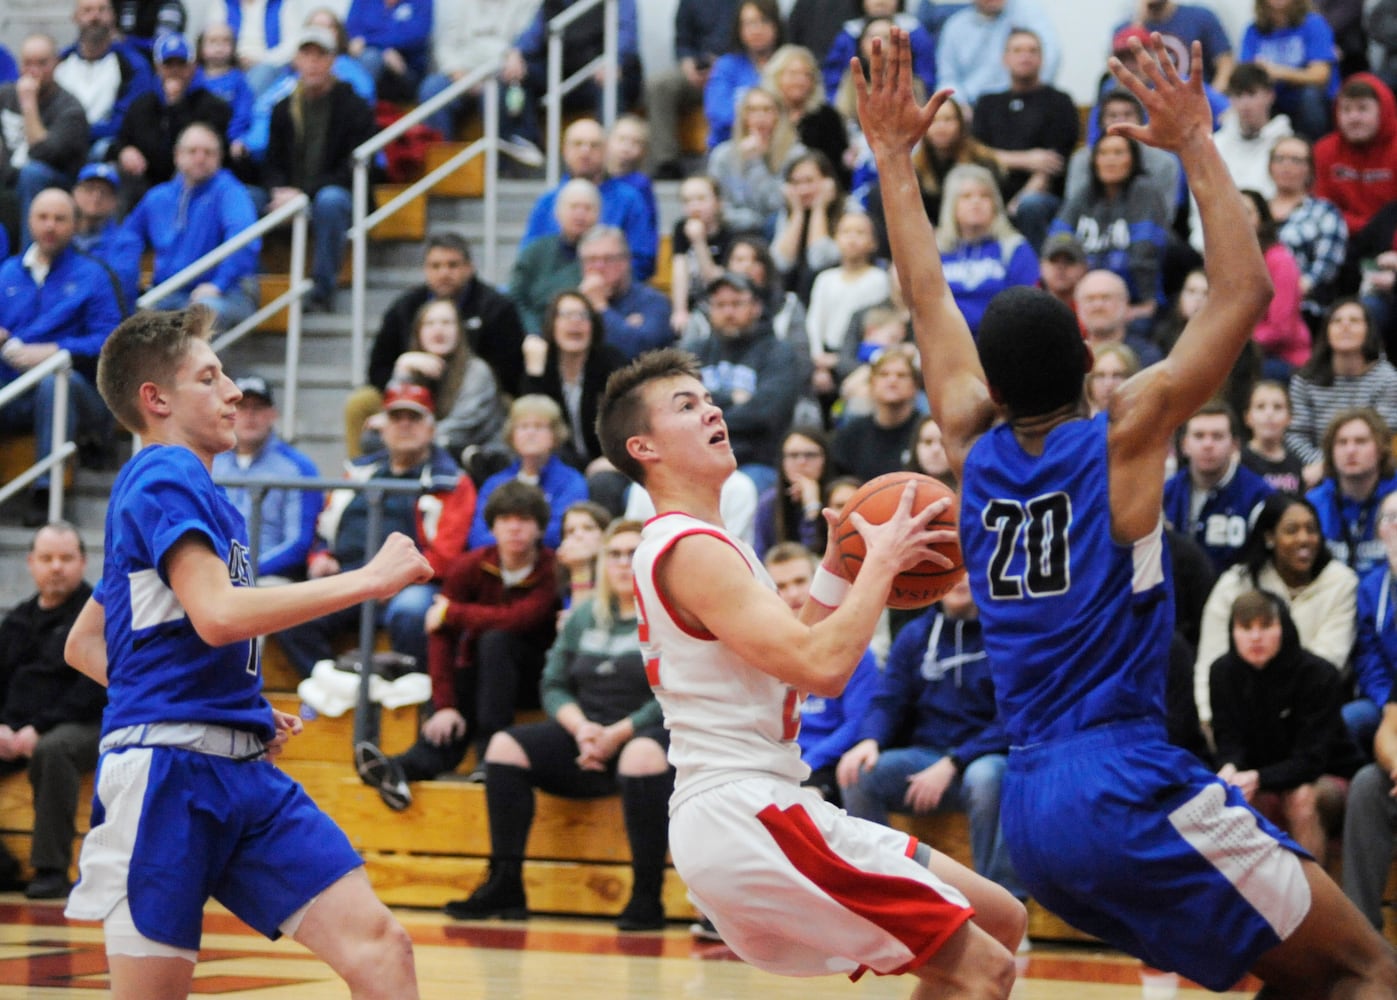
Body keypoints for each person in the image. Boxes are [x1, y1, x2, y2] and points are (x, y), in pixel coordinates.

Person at [866, 26, 1397, 993]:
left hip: (1029, 808)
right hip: (1121, 778)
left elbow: (926, 293)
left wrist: (893, 159)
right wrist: (1197, 138)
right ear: (1085, 363)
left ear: (990, 382)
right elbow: (1238, 293)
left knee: (1298, 975)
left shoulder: (968, 445)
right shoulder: (1121, 438)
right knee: (1365, 966)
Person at [596, 345, 1026, 992]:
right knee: (984, 968)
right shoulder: (688, 547)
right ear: (644, 448)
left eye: (708, 398)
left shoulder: (707, 544)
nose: (711, 410)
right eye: (686, 406)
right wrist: (879, 564)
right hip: (747, 812)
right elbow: (822, 669)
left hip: (767, 804)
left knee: (1000, 921)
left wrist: (836, 565)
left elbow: (792, 663)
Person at [62, 305, 431, 1000]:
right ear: (157, 400)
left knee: (382, 948)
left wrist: (228, 704)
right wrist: (368, 581)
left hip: (240, 771)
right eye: (211, 377)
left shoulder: (193, 493)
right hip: (168, 777)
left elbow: (89, 642)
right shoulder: (164, 473)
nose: (233, 391)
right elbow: (220, 614)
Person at [440, 518, 673, 930]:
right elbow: (553, 684)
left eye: (633, 554)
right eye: (614, 554)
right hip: (586, 733)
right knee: (503, 746)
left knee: (639, 754)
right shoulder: (585, 616)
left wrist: (617, 733)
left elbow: (671, 693)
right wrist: (581, 729)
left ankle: (647, 897)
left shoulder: (669, 620)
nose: (622, 563)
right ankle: (506, 883)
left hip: (646, 737)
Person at [355, 480, 559, 801]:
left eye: (524, 520)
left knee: (496, 641)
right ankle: (403, 768)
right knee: (460, 680)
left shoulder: (551, 568)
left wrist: (453, 612)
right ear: (492, 526)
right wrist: (445, 705)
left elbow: (522, 618)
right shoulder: (472, 565)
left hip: (538, 680)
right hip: (488, 679)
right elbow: (439, 637)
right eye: (506, 519)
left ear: (539, 527)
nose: (515, 528)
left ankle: (490, 754)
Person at [274, 383, 464, 679]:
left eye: (413, 418)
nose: (404, 425)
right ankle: (335, 687)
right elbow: (325, 526)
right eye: (396, 417)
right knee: (288, 613)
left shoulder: (450, 481)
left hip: (410, 584)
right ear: (382, 427)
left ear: (431, 429)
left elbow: (448, 555)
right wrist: (321, 556)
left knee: (412, 611)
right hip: (351, 577)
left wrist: (398, 579)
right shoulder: (358, 472)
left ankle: (412, 703)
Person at [1210, 590, 1360, 868]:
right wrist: (1230, 767)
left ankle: (1317, 907)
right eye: (1245, 627)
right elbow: (1228, 739)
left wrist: (1257, 777)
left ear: (1284, 628)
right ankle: (1252, 907)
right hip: (1265, 778)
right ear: (1232, 632)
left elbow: (1312, 760)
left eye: (1266, 626)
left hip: (1329, 776)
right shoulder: (1222, 673)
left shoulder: (1318, 674)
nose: (1256, 637)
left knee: (1300, 798)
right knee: (1235, 799)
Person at [0, 189, 123, 527]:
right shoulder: (7, 272)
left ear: (75, 224)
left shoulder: (94, 274)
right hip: (13, 388)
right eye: (42, 217)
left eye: (59, 218)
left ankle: (45, 491)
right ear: (29, 221)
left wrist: (57, 352)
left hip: (76, 392)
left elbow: (110, 342)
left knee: (55, 382)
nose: (50, 226)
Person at [0, 522, 105, 900]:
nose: (56, 567)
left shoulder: (97, 615)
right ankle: (4, 866)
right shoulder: (17, 619)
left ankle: (51, 868)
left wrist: (38, 728)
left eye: (65, 558)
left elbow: (94, 689)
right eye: (47, 558)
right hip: (18, 729)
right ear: (30, 563)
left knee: (53, 749)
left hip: (87, 724)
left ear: (83, 562)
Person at [1193, 491, 1358, 727]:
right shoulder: (1236, 583)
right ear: (1269, 537)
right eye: (1292, 530)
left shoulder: (1341, 582)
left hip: (1314, 713)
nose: (1304, 539)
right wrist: (1208, 719)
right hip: (1241, 713)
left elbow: (1329, 660)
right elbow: (1211, 659)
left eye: (1311, 530)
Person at [358, 232, 525, 430]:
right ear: (425, 270)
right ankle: (368, 461)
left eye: (452, 265)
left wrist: (458, 371)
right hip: (415, 393)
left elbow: (511, 371)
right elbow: (377, 368)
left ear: (469, 268)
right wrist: (404, 368)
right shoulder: (405, 307)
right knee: (361, 402)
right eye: (435, 266)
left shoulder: (497, 308)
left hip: (479, 392)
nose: (444, 273)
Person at [263, 25, 377, 312]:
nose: (313, 62)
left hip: (335, 196)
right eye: (306, 54)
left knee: (330, 200)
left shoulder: (354, 106)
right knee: (246, 198)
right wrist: (278, 192)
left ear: (333, 60)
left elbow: (351, 169)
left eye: (321, 54)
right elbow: (271, 162)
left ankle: (321, 290)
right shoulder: (282, 107)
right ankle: (254, 287)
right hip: (289, 195)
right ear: (296, 61)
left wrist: (302, 194)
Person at [114, 122, 260, 332]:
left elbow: (244, 239)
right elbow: (127, 239)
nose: (200, 158)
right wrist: (126, 286)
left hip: (228, 292)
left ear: (219, 158)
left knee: (201, 313)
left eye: (208, 152)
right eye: (192, 151)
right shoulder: (158, 197)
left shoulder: (230, 192)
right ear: (177, 155)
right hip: (168, 292)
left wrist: (219, 284)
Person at [765, 542, 875, 806]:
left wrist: (807, 761)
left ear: (816, 581)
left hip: (827, 764)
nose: (792, 593)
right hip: (775, 763)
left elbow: (857, 723)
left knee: (804, 804)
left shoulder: (854, 650)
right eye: (781, 585)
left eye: (800, 581)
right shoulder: (764, 648)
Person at [682, 271, 801, 491]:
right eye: (720, 305)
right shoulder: (692, 352)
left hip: (755, 462)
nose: (728, 312)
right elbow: (677, 410)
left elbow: (765, 415)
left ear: (756, 307)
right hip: (697, 460)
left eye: (737, 303)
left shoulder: (778, 353)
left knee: (741, 488)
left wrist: (707, 408)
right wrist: (733, 400)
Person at [352, 297, 506, 463]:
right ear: (418, 332)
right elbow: (395, 412)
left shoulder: (477, 371)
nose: (438, 330)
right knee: (371, 440)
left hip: (468, 450)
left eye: (446, 323)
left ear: (459, 332)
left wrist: (406, 434)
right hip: (424, 441)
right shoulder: (412, 364)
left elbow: (462, 428)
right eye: (430, 323)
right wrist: (403, 369)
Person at [972, 27, 1079, 253]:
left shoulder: (1060, 102)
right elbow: (975, 152)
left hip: (1042, 197)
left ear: (1042, 59)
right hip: (991, 190)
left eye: (1033, 50)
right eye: (1018, 50)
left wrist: (1018, 201)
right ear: (1005, 58)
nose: (1025, 55)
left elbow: (1051, 165)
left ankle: (1036, 277)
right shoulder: (987, 103)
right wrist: (1025, 159)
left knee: (1030, 206)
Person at [210, 375, 321, 583]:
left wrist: (243, 572)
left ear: (273, 414)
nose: (250, 415)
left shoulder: (298, 467)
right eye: (242, 407)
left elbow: (298, 543)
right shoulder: (210, 461)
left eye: (258, 407)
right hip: (211, 573)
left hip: (269, 576)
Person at [519, 119, 657, 281]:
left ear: (606, 151)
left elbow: (643, 261)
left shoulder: (630, 200)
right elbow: (528, 259)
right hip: (551, 297)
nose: (585, 151)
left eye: (594, 145)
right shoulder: (547, 202)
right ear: (564, 150)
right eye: (577, 144)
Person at [112, 32, 233, 212]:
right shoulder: (141, 105)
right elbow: (120, 139)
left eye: (181, 64)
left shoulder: (213, 106)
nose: (175, 70)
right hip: (144, 181)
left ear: (192, 67)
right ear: (158, 67)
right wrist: (124, 151)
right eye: (169, 64)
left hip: (193, 183)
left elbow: (212, 151)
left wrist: (175, 106)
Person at [1285, 297, 1397, 484]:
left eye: (1354, 321)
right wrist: (1326, 465)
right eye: (1337, 321)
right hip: (1317, 471)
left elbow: (1385, 435)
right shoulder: (1305, 380)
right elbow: (1295, 435)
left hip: (1373, 472)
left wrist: (1345, 464)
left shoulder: (1388, 379)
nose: (1345, 326)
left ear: (1369, 331)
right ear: (1326, 332)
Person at [517, 290, 627, 476]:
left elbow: (627, 423)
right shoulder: (543, 364)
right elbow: (530, 423)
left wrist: (613, 460)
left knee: (605, 482)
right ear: (552, 324)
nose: (575, 322)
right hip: (555, 464)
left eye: (583, 316)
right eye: (566, 315)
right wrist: (534, 374)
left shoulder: (611, 363)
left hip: (606, 464)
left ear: (594, 325)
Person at [0, 35, 88, 251]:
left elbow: (42, 153)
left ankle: (30, 257)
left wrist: (29, 105)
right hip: (9, 173)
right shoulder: (5, 95)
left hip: (54, 183)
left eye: (41, 63)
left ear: (56, 63)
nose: (33, 71)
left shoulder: (70, 108)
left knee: (31, 173)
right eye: (28, 63)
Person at [466, 395, 588, 552]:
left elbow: (560, 533)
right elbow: (477, 538)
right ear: (512, 435)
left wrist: (510, 539)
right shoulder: (495, 483)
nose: (530, 433)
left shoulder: (571, 481)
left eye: (539, 426)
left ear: (555, 434)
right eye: (523, 426)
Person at [933, 164, 1038, 338]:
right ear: (951, 205)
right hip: (948, 343)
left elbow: (1027, 305)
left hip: (1000, 342)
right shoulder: (936, 249)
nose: (976, 202)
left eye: (985, 196)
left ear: (995, 204)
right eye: (966, 196)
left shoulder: (1014, 247)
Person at [644, 0, 740, 179]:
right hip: (697, 73)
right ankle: (666, 162)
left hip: (733, 71)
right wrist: (687, 61)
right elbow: (682, 39)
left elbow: (751, 37)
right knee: (659, 85)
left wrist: (722, 65)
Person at [53, 0, 153, 162]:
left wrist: (83, 133)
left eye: (102, 10)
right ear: (75, 17)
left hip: (108, 147)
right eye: (87, 10)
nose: (95, 16)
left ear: (113, 16)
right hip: (64, 144)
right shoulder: (60, 63)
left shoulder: (133, 64)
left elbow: (132, 117)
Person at [805, 210, 889, 398]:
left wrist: (843, 360)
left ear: (873, 242)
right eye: (845, 232)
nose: (852, 238)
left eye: (860, 233)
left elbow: (875, 323)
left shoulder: (878, 279)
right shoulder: (825, 279)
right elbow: (814, 323)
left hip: (859, 356)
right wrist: (818, 363)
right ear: (835, 239)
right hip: (826, 354)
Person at [1306, 407, 1397, 577]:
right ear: (1330, 452)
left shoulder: (1395, 499)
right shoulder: (1313, 504)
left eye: (1361, 441)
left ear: (1381, 449)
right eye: (1342, 442)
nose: (1350, 450)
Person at [1267, 134, 1347, 325]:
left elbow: (1326, 267)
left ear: (1310, 169)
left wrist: (1288, 293)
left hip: (1304, 307)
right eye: (1280, 159)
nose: (1287, 166)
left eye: (1296, 160)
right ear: (1270, 166)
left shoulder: (1324, 212)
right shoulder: (1254, 208)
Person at [507, 178, 598, 336]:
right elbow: (516, 298)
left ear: (598, 214)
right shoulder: (535, 252)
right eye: (574, 207)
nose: (580, 214)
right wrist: (535, 332)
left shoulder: (607, 256)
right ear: (558, 213)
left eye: (588, 208)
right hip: (537, 334)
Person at [1240, 0, 1338, 141]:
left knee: (1310, 96)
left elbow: (1321, 75)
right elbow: (1246, 74)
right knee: (1250, 96)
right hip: (1274, 99)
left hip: (1308, 101)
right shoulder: (1253, 31)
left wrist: (1278, 72)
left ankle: (1313, 148)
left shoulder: (1313, 23)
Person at [934, 0, 1060, 109]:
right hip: (971, 106)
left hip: (1019, 100)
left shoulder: (1026, 12)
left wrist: (1031, 93)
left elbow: (1050, 57)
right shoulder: (956, 26)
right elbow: (947, 78)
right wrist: (958, 106)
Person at [1313, 73, 1397, 235]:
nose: (1354, 118)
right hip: (1340, 238)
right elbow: (1322, 210)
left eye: (1362, 108)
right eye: (1346, 109)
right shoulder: (1324, 150)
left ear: (1383, 111)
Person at [575, 225, 672, 362]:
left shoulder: (653, 301)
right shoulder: (573, 303)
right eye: (591, 260)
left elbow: (640, 351)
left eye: (608, 259)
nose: (599, 267)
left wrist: (600, 307)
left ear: (625, 261)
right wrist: (624, 326)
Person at [705, 86, 789, 235]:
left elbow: (776, 204)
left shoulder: (792, 153)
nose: (760, 116)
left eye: (767, 109)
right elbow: (716, 202)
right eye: (753, 110)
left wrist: (756, 162)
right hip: (732, 229)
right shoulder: (723, 155)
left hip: (774, 230)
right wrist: (748, 220)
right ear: (743, 115)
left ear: (778, 114)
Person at [703, 0, 784, 151]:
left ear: (776, 25)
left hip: (781, 148)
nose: (757, 30)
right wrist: (760, 122)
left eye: (764, 21)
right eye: (749, 23)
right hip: (730, 148)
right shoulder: (726, 66)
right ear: (739, 29)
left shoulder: (788, 63)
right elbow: (718, 113)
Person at [754, 426, 830, 559]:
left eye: (810, 455)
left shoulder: (839, 496)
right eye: (793, 455)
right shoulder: (769, 503)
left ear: (825, 459)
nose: (801, 462)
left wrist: (812, 507)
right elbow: (761, 558)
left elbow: (813, 556)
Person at [1242, 378, 1306, 494]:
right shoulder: (1239, 462)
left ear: (1290, 418)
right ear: (1248, 417)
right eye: (1260, 406)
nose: (1269, 414)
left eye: (1278, 407)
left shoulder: (1295, 463)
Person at [1085, 343, 1140, 417]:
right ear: (1089, 382)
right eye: (1100, 376)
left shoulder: (1145, 421)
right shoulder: (1076, 425)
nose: (1108, 384)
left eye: (1117, 375)